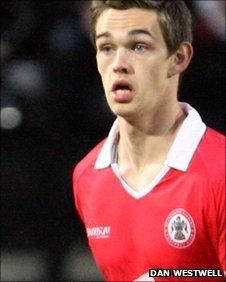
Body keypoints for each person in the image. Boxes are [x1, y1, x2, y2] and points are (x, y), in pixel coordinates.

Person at [72, 1, 225, 281]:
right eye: (106, 48)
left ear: (178, 57)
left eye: (139, 46)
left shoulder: (220, 173)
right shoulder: (87, 175)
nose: (118, 65)